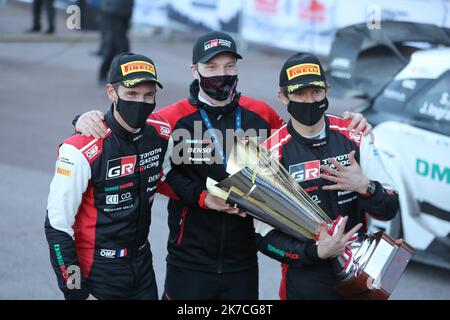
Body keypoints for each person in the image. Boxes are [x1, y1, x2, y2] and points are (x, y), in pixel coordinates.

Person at [73, 31, 373, 300]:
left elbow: (302, 137)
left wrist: (351, 123)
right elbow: (151, 166)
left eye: (230, 66)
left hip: (243, 257)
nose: (222, 74)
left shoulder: (261, 114)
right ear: (195, 70)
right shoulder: (169, 119)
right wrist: (85, 118)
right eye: (212, 67)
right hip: (188, 258)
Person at [255, 52, 400, 300]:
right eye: (299, 93)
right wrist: (315, 252)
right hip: (305, 280)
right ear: (283, 97)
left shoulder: (355, 136)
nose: (309, 100)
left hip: (359, 273)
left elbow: (389, 208)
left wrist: (366, 187)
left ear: (326, 91)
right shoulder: (271, 154)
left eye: (316, 92)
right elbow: (262, 236)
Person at [45, 52, 171, 299]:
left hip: (143, 265)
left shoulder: (161, 132)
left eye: (148, 95)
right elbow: (57, 226)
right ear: (112, 93)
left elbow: (169, 178)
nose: (141, 102)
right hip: (98, 272)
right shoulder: (80, 149)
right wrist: (75, 291)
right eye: (131, 94)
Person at [98, 0, 134, 83]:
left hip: (120, 14)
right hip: (114, 13)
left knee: (114, 47)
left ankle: (103, 74)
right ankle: (124, 75)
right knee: (122, 48)